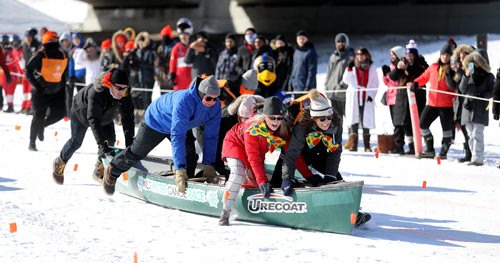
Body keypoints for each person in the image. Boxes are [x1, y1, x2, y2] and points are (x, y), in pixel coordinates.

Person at [103, 76, 222, 196]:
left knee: (190, 156)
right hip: (156, 121)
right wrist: (180, 169)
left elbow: (211, 137)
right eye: (209, 98)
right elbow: (178, 137)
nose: (212, 102)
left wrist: (209, 165)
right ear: (200, 94)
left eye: (215, 99)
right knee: (137, 152)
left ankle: (185, 187)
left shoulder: (215, 106)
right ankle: (113, 169)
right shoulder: (185, 101)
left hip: (180, 125)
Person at [52, 69, 135, 184]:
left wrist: (130, 143)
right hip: (81, 113)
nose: (122, 92)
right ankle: (60, 161)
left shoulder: (125, 95)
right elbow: (93, 119)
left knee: (110, 141)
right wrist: (101, 144)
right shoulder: (97, 92)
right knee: (76, 142)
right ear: (109, 84)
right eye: (119, 88)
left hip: (105, 115)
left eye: (125, 88)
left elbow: (128, 118)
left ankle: (98, 170)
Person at [219, 96, 289, 226]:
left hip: (252, 152)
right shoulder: (253, 128)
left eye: (279, 118)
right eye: (272, 117)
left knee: (255, 182)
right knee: (238, 174)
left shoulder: (282, 129)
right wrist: (262, 180)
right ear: (264, 116)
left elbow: (292, 155)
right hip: (235, 144)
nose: (276, 121)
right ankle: (225, 211)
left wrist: (308, 176)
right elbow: (253, 156)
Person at [25, 31, 69, 151]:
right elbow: (28, 70)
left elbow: (64, 72)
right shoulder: (40, 54)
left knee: (60, 113)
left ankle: (42, 126)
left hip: (57, 91)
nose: (55, 42)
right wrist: (37, 85)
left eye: (56, 40)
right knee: (37, 117)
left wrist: (63, 86)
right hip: (40, 92)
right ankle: (32, 142)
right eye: (52, 40)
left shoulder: (62, 54)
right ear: (46, 41)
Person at [411, 43, 456, 159]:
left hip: (447, 105)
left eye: (447, 55)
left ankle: (443, 152)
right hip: (432, 103)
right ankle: (430, 150)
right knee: (422, 124)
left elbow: (454, 85)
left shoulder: (453, 68)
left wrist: (450, 75)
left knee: (446, 130)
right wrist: (416, 82)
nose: (444, 57)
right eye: (443, 54)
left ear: (451, 56)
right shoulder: (433, 67)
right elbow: (423, 77)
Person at [459, 51, 494, 166]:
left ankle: (478, 159)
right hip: (468, 108)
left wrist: (484, 96)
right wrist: (466, 75)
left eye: (478, 59)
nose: (476, 61)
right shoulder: (469, 71)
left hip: (480, 108)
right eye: (475, 59)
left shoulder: (489, 76)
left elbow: (492, 91)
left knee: (477, 134)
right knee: (470, 135)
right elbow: (462, 89)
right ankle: (474, 156)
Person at [343, 47, 379, 152]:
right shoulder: (353, 66)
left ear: (367, 55)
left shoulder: (372, 66)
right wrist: (349, 69)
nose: (360, 56)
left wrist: (371, 95)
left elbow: (375, 83)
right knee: (354, 119)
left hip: (366, 96)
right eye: (358, 54)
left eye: (362, 54)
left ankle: (367, 145)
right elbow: (345, 80)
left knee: (365, 121)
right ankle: (354, 145)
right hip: (354, 96)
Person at [447, 44, 475, 162]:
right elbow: (454, 86)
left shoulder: (472, 67)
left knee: (469, 129)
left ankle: (471, 153)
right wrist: (449, 74)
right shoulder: (460, 69)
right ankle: (469, 152)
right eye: (460, 57)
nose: (462, 59)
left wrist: (461, 71)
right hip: (459, 103)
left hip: (469, 102)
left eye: (464, 57)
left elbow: (468, 83)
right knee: (464, 129)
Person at [382, 46, 409, 154]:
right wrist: (385, 75)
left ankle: (399, 145)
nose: (392, 57)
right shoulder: (391, 66)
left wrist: (392, 74)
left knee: (399, 123)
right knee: (395, 122)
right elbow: (387, 83)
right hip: (390, 98)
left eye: (394, 54)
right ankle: (397, 144)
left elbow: (398, 81)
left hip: (399, 97)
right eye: (391, 55)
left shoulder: (402, 66)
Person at [325, 33, 355, 118]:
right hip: (332, 92)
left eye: (343, 41)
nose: (340, 43)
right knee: (336, 118)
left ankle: (351, 131)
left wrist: (341, 85)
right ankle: (339, 132)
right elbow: (329, 72)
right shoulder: (333, 56)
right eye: (338, 41)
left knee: (349, 116)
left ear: (346, 42)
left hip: (343, 92)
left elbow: (351, 73)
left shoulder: (351, 56)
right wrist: (327, 85)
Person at [169, 18, 193, 90]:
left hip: (192, 77)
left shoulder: (193, 47)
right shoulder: (176, 48)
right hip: (179, 79)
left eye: (185, 35)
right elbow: (172, 63)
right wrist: (172, 75)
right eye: (181, 35)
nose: (183, 37)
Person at [135, 32, 156, 109]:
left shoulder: (149, 51)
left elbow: (150, 63)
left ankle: (148, 115)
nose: (140, 44)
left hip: (148, 78)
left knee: (147, 98)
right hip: (140, 79)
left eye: (142, 42)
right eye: (139, 42)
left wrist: (140, 64)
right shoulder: (137, 51)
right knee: (142, 98)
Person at [155, 25, 176, 93]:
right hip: (162, 76)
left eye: (166, 36)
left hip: (172, 74)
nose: (164, 38)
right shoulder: (160, 48)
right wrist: (157, 76)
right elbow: (157, 63)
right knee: (163, 95)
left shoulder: (175, 47)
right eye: (163, 36)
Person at [0, 35, 18, 112]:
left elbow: (15, 61)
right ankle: (8, 105)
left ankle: (10, 106)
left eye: (6, 43)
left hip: (11, 74)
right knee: (5, 90)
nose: (5, 45)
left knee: (10, 90)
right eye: (3, 43)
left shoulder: (12, 51)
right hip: (3, 74)